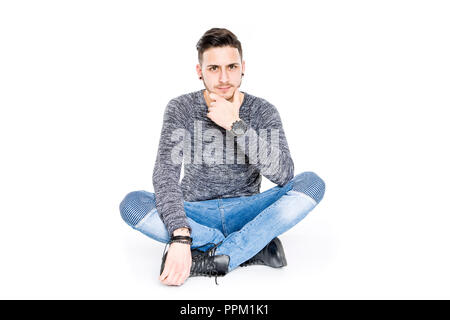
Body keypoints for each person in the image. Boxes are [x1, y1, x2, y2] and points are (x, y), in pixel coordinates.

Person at [119, 28, 326, 286]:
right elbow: (165, 176)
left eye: (231, 66)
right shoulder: (181, 108)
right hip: (195, 213)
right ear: (200, 71)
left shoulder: (262, 110)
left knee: (312, 183)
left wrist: (235, 124)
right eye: (214, 68)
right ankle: (252, 245)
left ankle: (217, 254)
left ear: (243, 67)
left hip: (247, 210)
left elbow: (284, 174)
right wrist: (182, 235)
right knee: (132, 205)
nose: (224, 77)